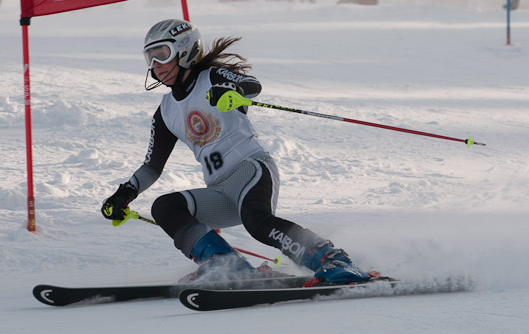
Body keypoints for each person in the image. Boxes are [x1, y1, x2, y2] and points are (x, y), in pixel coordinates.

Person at [101, 19, 373, 285]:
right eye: (150, 58)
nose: (156, 66)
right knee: (165, 207)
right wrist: (125, 193)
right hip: (219, 191)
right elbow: (152, 166)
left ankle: (332, 259)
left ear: (185, 51)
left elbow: (252, 85)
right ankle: (225, 264)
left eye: (162, 54)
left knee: (258, 222)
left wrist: (231, 90)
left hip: (250, 170)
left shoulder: (212, 78)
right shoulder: (166, 111)